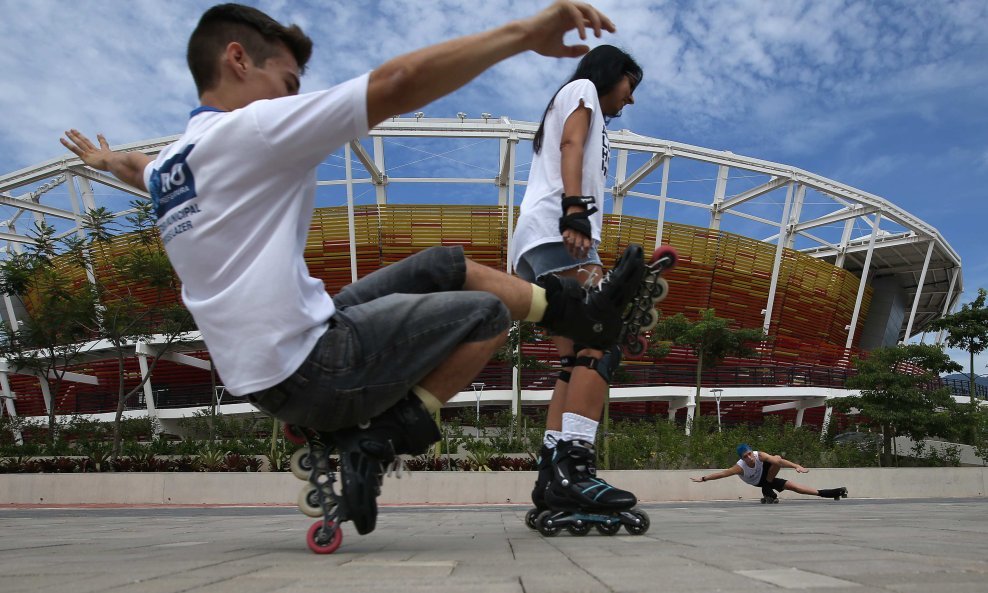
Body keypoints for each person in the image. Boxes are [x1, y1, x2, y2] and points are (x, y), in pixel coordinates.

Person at [60, 2, 648, 536]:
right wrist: (524, 34)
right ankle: (385, 437)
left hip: (278, 363)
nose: (291, 99)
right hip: (316, 367)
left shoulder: (174, 165)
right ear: (237, 60)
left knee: (442, 263)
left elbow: (140, 169)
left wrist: (105, 160)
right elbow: (397, 84)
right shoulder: (256, 128)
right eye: (287, 82)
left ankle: (578, 314)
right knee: (491, 314)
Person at [511, 45, 644, 522]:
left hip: (539, 236)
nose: (630, 99)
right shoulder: (583, 89)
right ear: (612, 75)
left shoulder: (571, 98)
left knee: (572, 359)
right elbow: (572, 144)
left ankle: (552, 472)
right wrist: (575, 212)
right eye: (631, 85)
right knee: (603, 338)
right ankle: (577, 468)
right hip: (557, 229)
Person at [691, 443, 848, 503]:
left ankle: (831, 493)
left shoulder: (760, 455)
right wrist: (703, 478)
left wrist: (796, 466)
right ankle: (768, 493)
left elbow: (779, 462)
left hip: (768, 476)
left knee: (782, 466)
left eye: (750, 454)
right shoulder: (740, 467)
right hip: (759, 481)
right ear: (742, 459)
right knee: (772, 485)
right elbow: (723, 474)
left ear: (752, 452)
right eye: (745, 457)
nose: (750, 458)